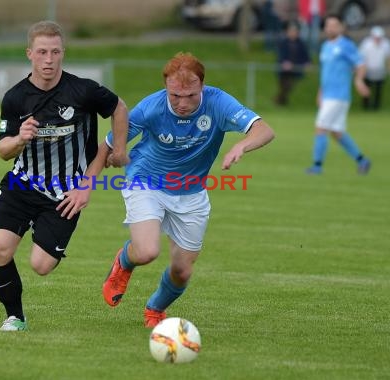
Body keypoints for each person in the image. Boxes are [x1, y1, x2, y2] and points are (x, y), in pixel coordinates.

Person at [101, 52, 275, 328]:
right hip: (147, 181)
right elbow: (109, 144)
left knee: (182, 271)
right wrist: (85, 185)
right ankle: (124, 263)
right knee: (146, 251)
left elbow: (264, 130)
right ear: (166, 89)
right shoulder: (151, 107)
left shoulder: (218, 103)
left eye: (191, 95)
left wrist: (242, 145)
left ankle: (155, 309)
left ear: (202, 86)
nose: (183, 104)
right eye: (175, 96)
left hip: (192, 193)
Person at [0, 20, 129, 331]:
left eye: (54, 52)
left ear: (63, 52)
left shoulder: (84, 91)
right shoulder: (15, 97)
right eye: (41, 52)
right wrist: (20, 139)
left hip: (65, 194)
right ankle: (15, 317)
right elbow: (3, 150)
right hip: (22, 184)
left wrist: (116, 151)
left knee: (41, 265)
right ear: (29, 54)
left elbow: (119, 108)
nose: (48, 60)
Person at [306, 15, 372, 175]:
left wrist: (359, 80)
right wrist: (320, 92)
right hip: (328, 95)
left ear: (341, 27)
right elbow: (326, 73)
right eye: (328, 25)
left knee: (320, 128)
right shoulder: (326, 46)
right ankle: (362, 160)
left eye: (334, 25)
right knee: (337, 133)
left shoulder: (346, 45)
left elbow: (361, 64)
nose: (330, 28)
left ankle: (317, 166)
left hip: (338, 95)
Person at [359, 26, 390, 110]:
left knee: (378, 90)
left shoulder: (386, 44)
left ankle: (376, 106)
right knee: (367, 88)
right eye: (376, 37)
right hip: (367, 70)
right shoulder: (366, 44)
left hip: (380, 70)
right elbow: (361, 57)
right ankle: (366, 106)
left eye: (379, 37)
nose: (377, 39)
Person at [275, 21, 311, 106]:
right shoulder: (284, 43)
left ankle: (280, 101)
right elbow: (281, 55)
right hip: (284, 71)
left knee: (289, 85)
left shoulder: (300, 43)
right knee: (284, 85)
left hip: (295, 70)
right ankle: (280, 100)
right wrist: (284, 62)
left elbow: (304, 55)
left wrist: (307, 62)